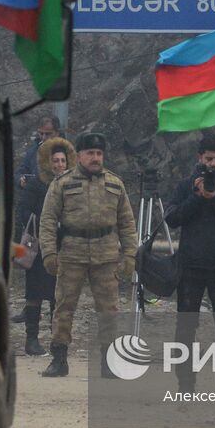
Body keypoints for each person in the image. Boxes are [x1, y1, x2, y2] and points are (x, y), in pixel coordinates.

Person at [38, 132, 138, 378]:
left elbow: (127, 223)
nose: (95, 158)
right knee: (63, 307)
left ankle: (108, 361)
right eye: (90, 153)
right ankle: (59, 359)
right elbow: (48, 220)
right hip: (72, 254)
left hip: (106, 255)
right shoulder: (62, 184)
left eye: (99, 154)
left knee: (108, 309)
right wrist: (49, 253)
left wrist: (130, 255)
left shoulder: (115, 184)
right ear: (79, 156)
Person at [165, 134, 215, 391]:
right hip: (191, 265)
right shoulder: (186, 185)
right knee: (186, 326)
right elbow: (172, 218)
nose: (213, 164)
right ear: (200, 157)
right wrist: (198, 196)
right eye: (209, 158)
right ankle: (186, 383)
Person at [15, 137, 75, 355]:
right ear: (48, 162)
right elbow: (24, 211)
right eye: (55, 161)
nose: (59, 165)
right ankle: (31, 339)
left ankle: (56, 340)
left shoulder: (72, 185)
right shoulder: (36, 184)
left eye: (62, 161)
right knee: (34, 293)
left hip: (63, 247)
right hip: (38, 246)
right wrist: (46, 222)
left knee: (58, 295)